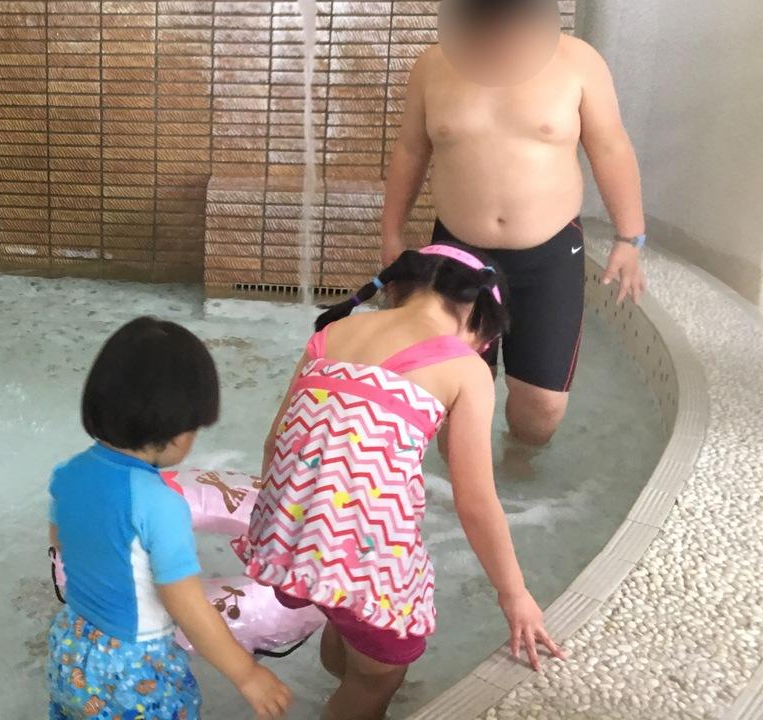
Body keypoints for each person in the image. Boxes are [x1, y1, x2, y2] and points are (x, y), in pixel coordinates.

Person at [237, 245, 563, 720]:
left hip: (289, 537)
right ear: (478, 316)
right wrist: (514, 594)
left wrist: (301, 534)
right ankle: (361, 685)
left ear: (395, 291)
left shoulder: (333, 333)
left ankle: (350, 665)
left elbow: (275, 443)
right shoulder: (465, 368)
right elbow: (475, 501)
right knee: (381, 677)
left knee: (349, 615)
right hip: (364, 559)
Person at [381, 0, 646, 449]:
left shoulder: (578, 62)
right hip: (457, 254)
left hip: (547, 255)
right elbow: (410, 151)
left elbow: (611, 148)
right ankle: (459, 491)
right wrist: (391, 234)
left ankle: (519, 477)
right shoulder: (433, 66)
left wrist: (629, 238)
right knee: (452, 399)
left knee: (541, 408)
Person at [48, 317, 292, 720]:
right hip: (131, 670)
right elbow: (187, 605)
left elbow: (62, 544)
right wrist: (246, 674)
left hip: (71, 647)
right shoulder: (159, 505)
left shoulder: (67, 475)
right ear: (178, 431)